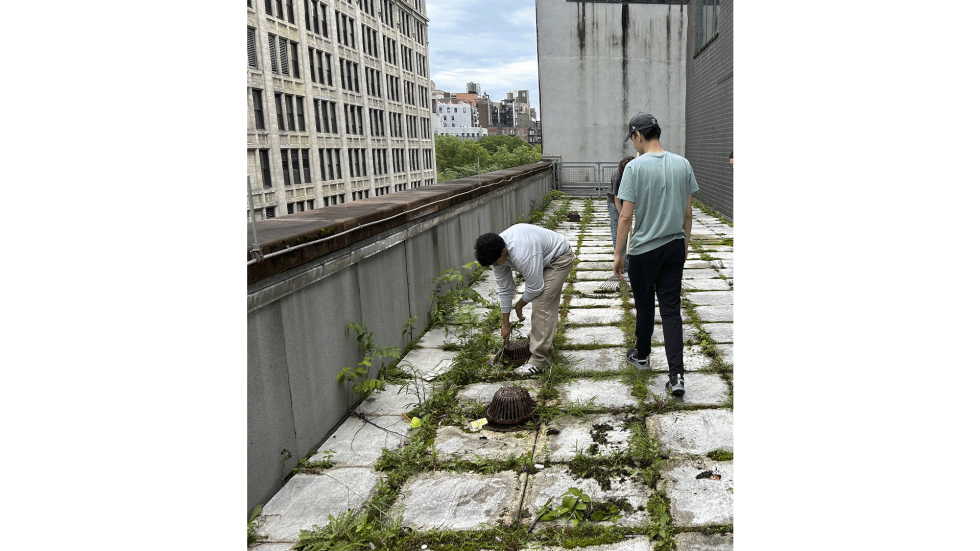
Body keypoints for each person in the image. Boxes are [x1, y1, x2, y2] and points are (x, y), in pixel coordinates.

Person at [613, 112, 699, 396]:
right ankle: (677, 376)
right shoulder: (682, 164)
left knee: (645, 305)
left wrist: (618, 253)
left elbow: (625, 217)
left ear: (638, 135)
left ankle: (643, 356)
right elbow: (687, 213)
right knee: (671, 310)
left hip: (644, 250)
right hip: (674, 246)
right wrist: (685, 243)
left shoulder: (635, 169)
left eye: (632, 139)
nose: (633, 145)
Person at [474, 224, 575, 376]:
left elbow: (535, 287)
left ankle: (540, 361)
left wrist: (519, 305)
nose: (495, 266)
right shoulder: (495, 251)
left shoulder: (522, 253)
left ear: (504, 251)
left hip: (558, 258)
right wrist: (505, 323)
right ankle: (539, 335)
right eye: (492, 264)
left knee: (542, 304)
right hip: (540, 257)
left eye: (495, 263)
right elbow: (505, 288)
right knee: (541, 303)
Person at [607, 156, 635, 277]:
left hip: (630, 198)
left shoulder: (636, 171)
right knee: (618, 231)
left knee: (632, 233)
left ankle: (630, 261)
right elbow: (617, 202)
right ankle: (621, 261)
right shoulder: (618, 175)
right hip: (615, 202)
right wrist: (625, 220)